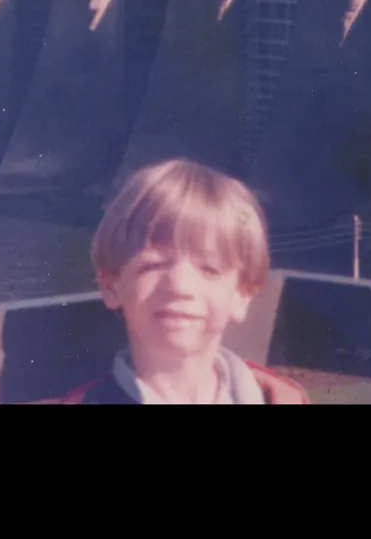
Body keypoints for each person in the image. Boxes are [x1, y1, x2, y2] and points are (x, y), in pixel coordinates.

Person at [52, 158, 307, 404]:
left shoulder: (280, 399)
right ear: (110, 285)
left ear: (242, 294)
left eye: (209, 269)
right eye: (153, 265)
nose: (180, 287)